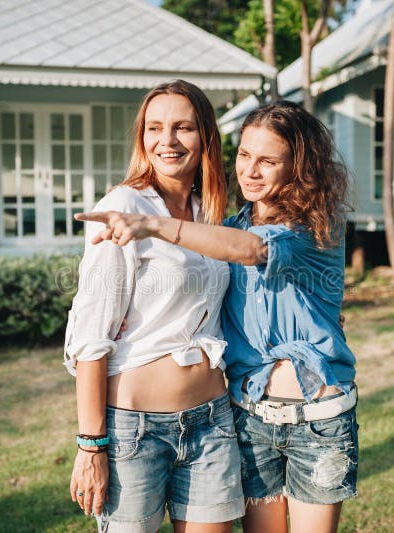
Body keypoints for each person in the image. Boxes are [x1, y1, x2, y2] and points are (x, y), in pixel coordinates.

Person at [77, 100, 358, 533]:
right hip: (249, 415)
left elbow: (252, 250)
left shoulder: (315, 227)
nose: (250, 170)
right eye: (245, 155)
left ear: (298, 167)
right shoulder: (222, 222)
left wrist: (152, 225)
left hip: (315, 421)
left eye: (268, 160)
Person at [63, 80, 244, 533]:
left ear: (205, 137)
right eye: (154, 128)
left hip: (212, 423)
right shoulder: (124, 206)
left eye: (183, 127)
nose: (167, 141)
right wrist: (91, 445)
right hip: (135, 431)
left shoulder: (210, 211)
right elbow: (91, 336)